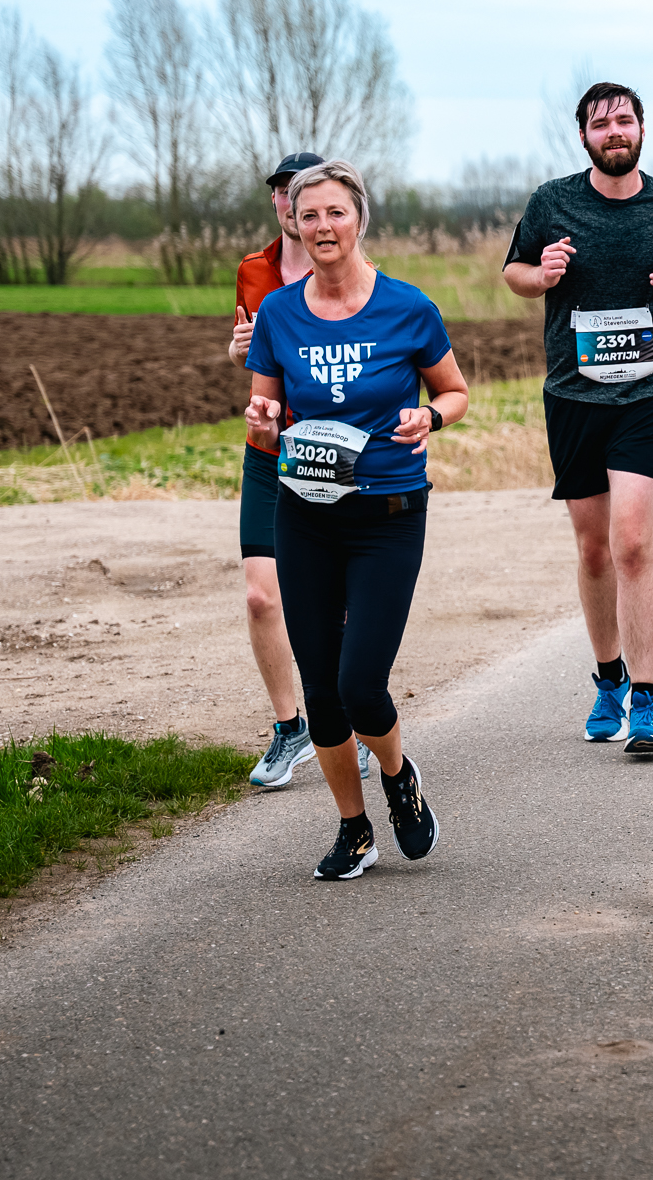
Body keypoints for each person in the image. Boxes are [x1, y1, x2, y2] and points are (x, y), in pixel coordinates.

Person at [243, 159, 464, 880]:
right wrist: (264, 420)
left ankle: (398, 777)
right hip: (305, 513)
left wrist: (430, 417)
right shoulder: (279, 313)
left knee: (360, 683)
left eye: (335, 212)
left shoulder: (408, 307)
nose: (322, 226)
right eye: (308, 215)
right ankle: (354, 828)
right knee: (321, 690)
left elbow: (455, 391)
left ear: (359, 218)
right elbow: (265, 415)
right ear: (294, 225)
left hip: (388, 514)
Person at [503, 82, 653, 752]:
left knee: (634, 544)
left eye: (624, 120)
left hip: (646, 397)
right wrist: (542, 274)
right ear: (584, 136)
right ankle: (609, 677)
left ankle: (646, 700)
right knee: (594, 550)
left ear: (641, 129)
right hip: (573, 396)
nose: (614, 130)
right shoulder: (552, 201)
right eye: (600, 123)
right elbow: (514, 272)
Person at [229, 149, 373, 790]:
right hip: (270, 454)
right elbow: (255, 359)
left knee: (336, 604)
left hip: (333, 455)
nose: (295, 203)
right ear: (277, 202)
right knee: (262, 596)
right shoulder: (252, 270)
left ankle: (351, 723)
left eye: (307, 193)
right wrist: (238, 352)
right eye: (285, 192)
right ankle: (291, 729)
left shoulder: (354, 273)